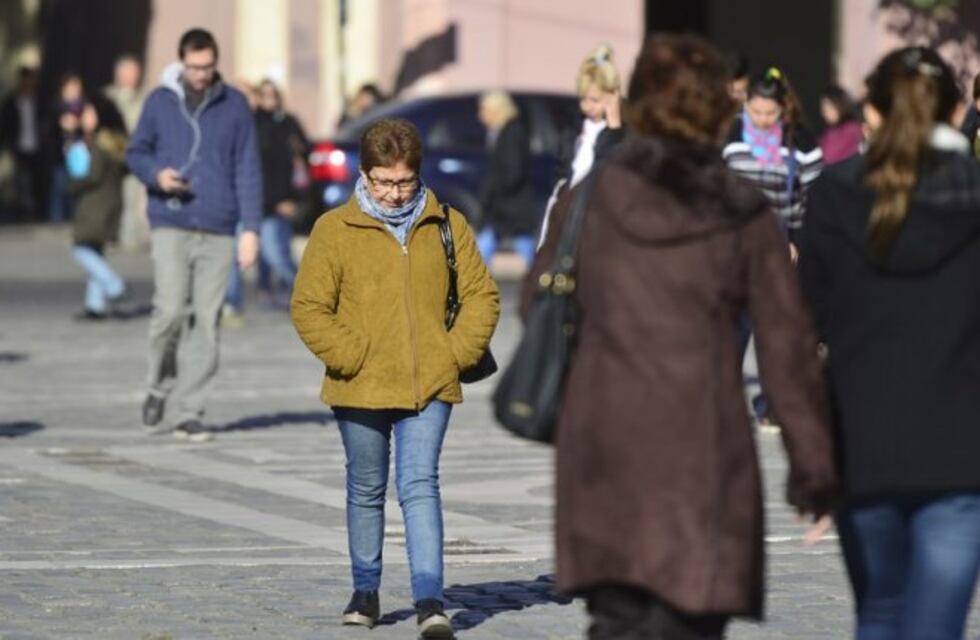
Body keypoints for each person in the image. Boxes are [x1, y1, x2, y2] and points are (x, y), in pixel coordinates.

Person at [525, 34, 838, 640]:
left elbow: (538, 299)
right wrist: (815, 473)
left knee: (615, 622)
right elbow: (786, 346)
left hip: (605, 447)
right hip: (702, 452)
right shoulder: (739, 206)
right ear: (718, 109)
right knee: (691, 621)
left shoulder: (594, 196)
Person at [291, 118, 499, 638]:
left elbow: (482, 296)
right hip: (358, 382)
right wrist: (351, 353)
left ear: (418, 176)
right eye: (383, 181)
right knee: (365, 487)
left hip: (430, 381)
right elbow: (309, 308)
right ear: (364, 175)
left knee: (419, 484)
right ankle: (365, 590)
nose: (393, 193)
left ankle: (430, 599)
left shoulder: (446, 223)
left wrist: (453, 353)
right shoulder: (333, 229)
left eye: (404, 182)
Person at [799, 46, 980, 640]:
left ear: (870, 115)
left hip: (863, 445)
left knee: (879, 613)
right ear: (958, 114)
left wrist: (810, 459)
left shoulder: (834, 194)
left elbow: (804, 327)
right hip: (961, 454)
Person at [127, 28, 261, 442]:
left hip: (219, 226)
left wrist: (250, 230)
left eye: (207, 67)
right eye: (193, 67)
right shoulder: (160, 101)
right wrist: (156, 175)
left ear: (215, 63)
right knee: (168, 312)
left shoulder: (235, 105)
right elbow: (136, 152)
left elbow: (248, 169)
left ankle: (190, 409)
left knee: (207, 321)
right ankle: (156, 387)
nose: (200, 74)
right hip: (171, 219)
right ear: (181, 63)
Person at [724, 67, 824, 425]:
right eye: (757, 112)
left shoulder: (799, 140)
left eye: (771, 113)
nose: (764, 120)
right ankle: (724, 404)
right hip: (732, 246)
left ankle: (770, 405)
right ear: (745, 104)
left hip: (779, 248)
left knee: (774, 332)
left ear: (783, 108)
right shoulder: (730, 135)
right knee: (730, 329)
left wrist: (798, 239)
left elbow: (815, 195)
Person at [224, 79, 309, 323]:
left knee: (276, 254)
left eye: (250, 96)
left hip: (269, 203)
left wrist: (285, 199)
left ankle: (312, 296)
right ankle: (232, 301)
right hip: (240, 202)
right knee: (232, 254)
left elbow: (278, 169)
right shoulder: (236, 124)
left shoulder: (274, 126)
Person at [539, 45, 625, 248]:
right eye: (583, 99)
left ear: (612, 96)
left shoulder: (621, 133)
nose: (587, 106)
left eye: (594, 100)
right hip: (572, 211)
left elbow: (613, 167)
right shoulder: (574, 130)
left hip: (601, 216)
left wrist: (614, 126)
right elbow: (563, 171)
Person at [64, 103, 128, 320]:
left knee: (80, 247)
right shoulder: (117, 141)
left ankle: (113, 284)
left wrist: (72, 185)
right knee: (96, 250)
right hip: (112, 201)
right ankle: (95, 304)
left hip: (95, 204)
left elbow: (93, 175)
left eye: (90, 113)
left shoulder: (100, 144)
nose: (84, 118)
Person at [476, 90, 537, 267]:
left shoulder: (511, 133)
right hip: (503, 207)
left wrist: (494, 192)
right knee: (485, 244)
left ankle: (539, 282)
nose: (481, 116)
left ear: (497, 110)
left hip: (511, 206)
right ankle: (472, 285)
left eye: (484, 110)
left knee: (525, 246)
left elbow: (512, 172)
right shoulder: (499, 132)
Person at [104, 54, 150, 250]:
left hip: (134, 154)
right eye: (128, 74)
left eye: (134, 73)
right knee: (110, 197)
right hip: (110, 157)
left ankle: (129, 236)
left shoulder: (145, 97)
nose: (132, 78)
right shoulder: (107, 97)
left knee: (132, 196)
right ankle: (108, 233)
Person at [0, 66, 42, 220]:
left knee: (33, 182)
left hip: (36, 148)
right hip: (17, 148)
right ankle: (20, 213)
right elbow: (5, 125)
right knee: (19, 182)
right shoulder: (12, 102)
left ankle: (32, 212)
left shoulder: (39, 101)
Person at [819, 84, 864, 166]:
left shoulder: (851, 128)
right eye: (823, 108)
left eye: (829, 107)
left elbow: (828, 156)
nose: (825, 112)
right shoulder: (830, 130)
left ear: (840, 104)